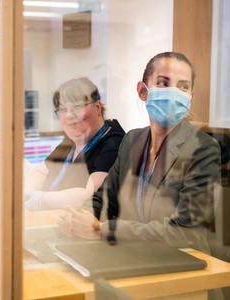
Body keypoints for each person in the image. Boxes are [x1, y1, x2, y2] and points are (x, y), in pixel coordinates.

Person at [58, 52, 221, 255]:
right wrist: (79, 219)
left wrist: (103, 230)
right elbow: (104, 199)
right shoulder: (132, 140)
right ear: (142, 92)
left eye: (183, 86)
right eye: (163, 83)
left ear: (190, 98)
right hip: (133, 256)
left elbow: (186, 231)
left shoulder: (203, 148)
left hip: (183, 262)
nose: (174, 92)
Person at [25, 77, 125, 210]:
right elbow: (40, 171)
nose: (68, 115)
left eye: (77, 106)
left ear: (97, 107)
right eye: (62, 110)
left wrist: (40, 199)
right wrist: (27, 194)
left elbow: (91, 197)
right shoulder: (72, 141)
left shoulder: (114, 144)